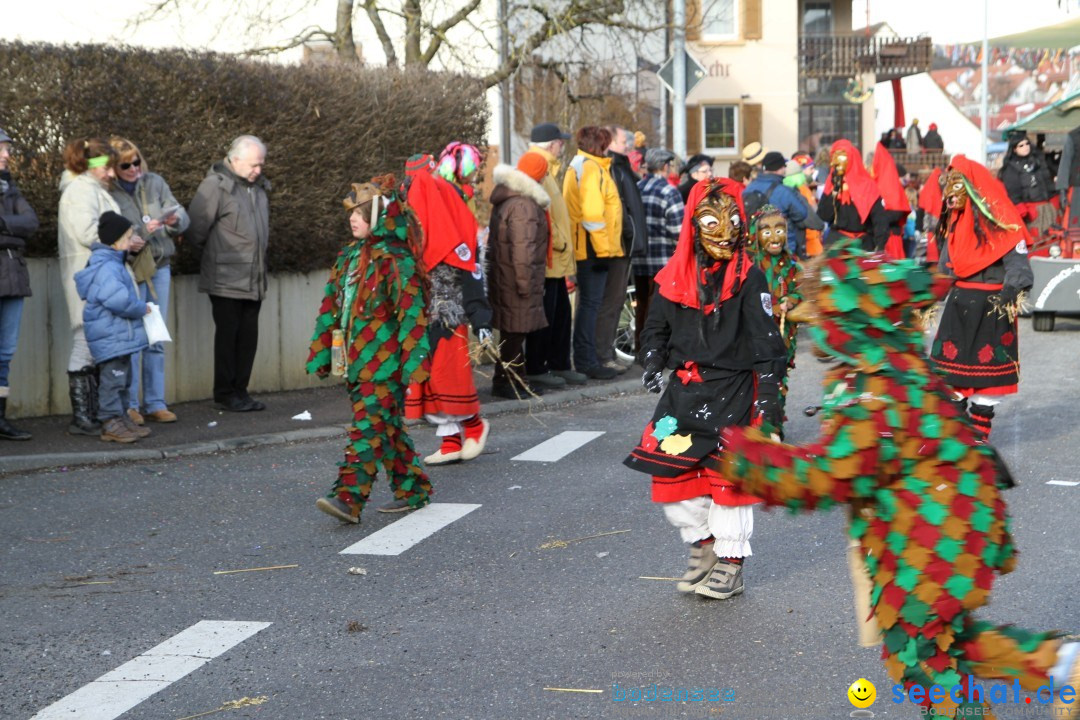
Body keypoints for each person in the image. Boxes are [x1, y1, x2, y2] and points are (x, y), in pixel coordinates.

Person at [717, 239, 1079, 719]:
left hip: (935, 532)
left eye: (824, 314)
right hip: (943, 521)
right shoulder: (890, 366)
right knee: (944, 641)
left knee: (918, 654)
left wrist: (753, 461)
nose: (813, 325)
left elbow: (833, 472)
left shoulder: (878, 385)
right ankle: (1060, 665)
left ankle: (1048, 671)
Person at [623, 178, 787, 600]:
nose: (725, 231)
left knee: (728, 483)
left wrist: (770, 412)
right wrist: (654, 360)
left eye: (733, 220)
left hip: (735, 391)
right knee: (668, 473)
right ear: (694, 227)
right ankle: (704, 546)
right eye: (713, 221)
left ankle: (732, 563)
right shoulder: (673, 277)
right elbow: (654, 329)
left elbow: (770, 349)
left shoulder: (749, 278)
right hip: (685, 392)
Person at [308, 178, 431, 523]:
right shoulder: (348, 257)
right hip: (354, 362)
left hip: (384, 366)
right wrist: (320, 353)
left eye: (360, 213)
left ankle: (348, 498)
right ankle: (413, 489)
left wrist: (415, 362)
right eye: (351, 213)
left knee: (367, 428)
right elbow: (331, 309)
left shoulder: (397, 261)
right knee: (386, 426)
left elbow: (412, 316)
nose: (352, 219)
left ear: (379, 217)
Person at [929, 155, 1033, 443]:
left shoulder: (1003, 222)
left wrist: (1010, 291)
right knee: (952, 381)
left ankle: (977, 442)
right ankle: (957, 442)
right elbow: (944, 270)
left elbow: (1020, 267)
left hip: (992, 306)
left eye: (958, 188)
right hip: (959, 306)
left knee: (987, 382)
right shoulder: (955, 223)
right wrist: (925, 297)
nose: (951, 198)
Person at [405, 142, 493, 465]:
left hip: (446, 312)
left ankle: (472, 425)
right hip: (425, 311)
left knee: (446, 376)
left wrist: (481, 320)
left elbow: (471, 274)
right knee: (429, 379)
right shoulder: (427, 209)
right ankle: (451, 442)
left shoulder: (452, 227)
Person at [108, 137, 189, 424]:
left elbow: (181, 214)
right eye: (125, 164)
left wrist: (174, 219)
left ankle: (155, 401)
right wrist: (140, 231)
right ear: (114, 168)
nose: (133, 168)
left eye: (136, 161)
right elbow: (110, 231)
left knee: (155, 335)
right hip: (129, 270)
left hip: (159, 267)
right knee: (131, 338)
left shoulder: (155, 182)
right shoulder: (109, 192)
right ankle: (129, 404)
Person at [187, 135, 269, 413]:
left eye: (261, 164)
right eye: (254, 165)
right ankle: (225, 393)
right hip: (225, 278)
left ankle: (241, 391)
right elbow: (196, 229)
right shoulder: (215, 187)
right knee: (228, 337)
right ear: (234, 160)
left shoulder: (257, 189)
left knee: (248, 339)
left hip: (253, 277)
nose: (258, 170)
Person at [58, 137, 125, 435]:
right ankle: (83, 417)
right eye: (107, 168)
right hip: (88, 277)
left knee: (92, 343)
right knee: (86, 342)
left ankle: (91, 414)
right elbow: (88, 231)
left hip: (95, 276)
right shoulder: (81, 191)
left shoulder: (91, 189)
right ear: (92, 166)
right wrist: (123, 240)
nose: (112, 174)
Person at [73, 212, 152, 444]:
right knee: (113, 381)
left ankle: (121, 417)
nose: (130, 243)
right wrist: (141, 308)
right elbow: (117, 301)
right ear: (115, 241)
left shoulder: (113, 263)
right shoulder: (107, 266)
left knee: (123, 381)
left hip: (118, 337)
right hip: (111, 338)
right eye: (128, 238)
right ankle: (109, 421)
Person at [523, 123, 586, 388]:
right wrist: (559, 241)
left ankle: (559, 364)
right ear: (551, 144)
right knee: (546, 316)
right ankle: (538, 366)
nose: (563, 146)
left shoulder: (547, 168)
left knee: (560, 315)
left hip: (556, 256)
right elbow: (538, 212)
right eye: (561, 142)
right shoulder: (535, 167)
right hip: (550, 256)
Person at [487, 153, 551, 398]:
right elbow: (523, 250)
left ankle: (506, 379)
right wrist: (526, 285)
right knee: (514, 333)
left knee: (510, 332)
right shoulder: (524, 205)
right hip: (517, 279)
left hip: (505, 276)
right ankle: (512, 382)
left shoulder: (509, 198)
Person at [564, 126, 622, 380]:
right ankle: (587, 361)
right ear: (599, 145)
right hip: (591, 248)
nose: (609, 148)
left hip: (589, 246)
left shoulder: (587, 165)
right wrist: (604, 250)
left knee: (588, 305)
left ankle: (586, 358)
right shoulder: (589, 168)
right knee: (590, 305)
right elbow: (593, 214)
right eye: (606, 143)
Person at [596, 125, 646, 374]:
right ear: (611, 143)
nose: (629, 144)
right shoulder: (613, 168)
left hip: (623, 244)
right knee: (610, 302)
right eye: (624, 140)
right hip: (616, 246)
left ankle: (605, 354)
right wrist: (628, 234)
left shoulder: (620, 167)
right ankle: (602, 355)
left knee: (614, 302)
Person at [748, 204, 801, 432]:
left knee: (779, 378)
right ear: (756, 235)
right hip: (754, 335)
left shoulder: (791, 265)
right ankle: (753, 424)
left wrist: (791, 299)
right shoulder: (749, 265)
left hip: (783, 335)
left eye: (780, 230)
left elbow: (800, 289)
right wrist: (771, 306)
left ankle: (774, 425)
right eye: (767, 231)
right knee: (754, 380)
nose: (775, 237)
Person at [0, 127, 38, 441]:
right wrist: (14, 232)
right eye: (1, 149)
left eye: (8, 149)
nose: (7, 154)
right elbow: (20, 228)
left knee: (5, 353)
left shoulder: (11, 189)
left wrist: (4, 227)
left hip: (13, 277)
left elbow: (32, 223)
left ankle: (0, 419)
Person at [633, 148, 684, 352]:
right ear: (665, 166)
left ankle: (639, 347)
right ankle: (656, 349)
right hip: (663, 260)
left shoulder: (637, 187)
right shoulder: (669, 191)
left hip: (638, 258)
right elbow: (678, 230)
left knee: (642, 303)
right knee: (660, 309)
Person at [743, 151, 821, 257]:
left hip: (756, 252)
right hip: (783, 253)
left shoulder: (748, 189)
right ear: (781, 168)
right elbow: (804, 215)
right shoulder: (785, 192)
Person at [817, 139, 890, 252]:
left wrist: (880, 246)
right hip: (837, 243)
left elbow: (880, 219)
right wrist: (834, 189)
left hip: (863, 245)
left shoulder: (867, 186)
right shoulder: (831, 183)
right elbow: (825, 215)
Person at [998, 131, 1056, 247]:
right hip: (1030, 211)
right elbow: (1013, 192)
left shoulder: (1038, 161)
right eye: (1021, 145)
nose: (1025, 147)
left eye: (1027, 144)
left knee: (1053, 240)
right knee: (1036, 242)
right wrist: (1022, 209)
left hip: (1047, 207)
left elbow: (1047, 182)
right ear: (1014, 149)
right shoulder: (1011, 168)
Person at [871, 141, 911, 259]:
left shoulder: (892, 187)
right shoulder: (878, 184)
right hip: (881, 236)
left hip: (891, 238)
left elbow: (897, 211)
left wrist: (878, 218)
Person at [783, 154, 823, 256]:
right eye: (811, 168)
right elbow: (810, 217)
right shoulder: (801, 190)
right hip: (809, 243)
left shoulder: (786, 191)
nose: (813, 171)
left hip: (803, 241)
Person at [1058, 123, 1080, 246]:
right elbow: (1065, 163)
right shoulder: (1074, 136)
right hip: (1078, 188)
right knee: (1075, 228)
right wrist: (1062, 190)